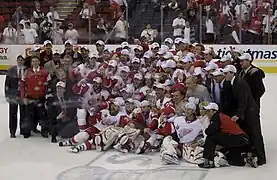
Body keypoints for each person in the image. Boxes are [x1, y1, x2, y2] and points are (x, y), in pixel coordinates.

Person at [222, 65, 266, 166]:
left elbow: (243, 101)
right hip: (246, 112)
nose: (225, 75)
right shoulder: (233, 82)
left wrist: (237, 115)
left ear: (232, 73)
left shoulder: (240, 83)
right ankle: (252, 154)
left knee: (255, 134)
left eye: (226, 73)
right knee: (249, 133)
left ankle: (261, 158)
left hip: (250, 112)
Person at [198, 103, 252, 168]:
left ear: (214, 111)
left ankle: (210, 161)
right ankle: (246, 157)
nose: (207, 113)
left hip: (239, 138)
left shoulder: (217, 117)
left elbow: (210, 131)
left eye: (209, 111)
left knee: (211, 138)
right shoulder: (221, 116)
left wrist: (207, 130)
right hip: (241, 139)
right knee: (236, 160)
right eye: (206, 111)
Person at [20, 56, 50, 138]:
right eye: (33, 61)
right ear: (31, 63)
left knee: (42, 115)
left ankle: (44, 131)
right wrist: (23, 97)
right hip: (30, 97)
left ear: (39, 62)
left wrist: (47, 95)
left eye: (36, 61)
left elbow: (48, 84)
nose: (35, 63)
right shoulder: (27, 72)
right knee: (28, 115)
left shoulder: (44, 72)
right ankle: (27, 132)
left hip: (41, 97)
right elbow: (22, 85)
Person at [5, 55, 26, 138]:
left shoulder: (26, 70)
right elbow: (7, 83)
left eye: (22, 60)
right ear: (17, 61)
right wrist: (7, 95)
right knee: (13, 113)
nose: (20, 61)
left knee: (23, 113)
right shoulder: (11, 70)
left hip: (22, 95)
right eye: (19, 60)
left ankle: (23, 130)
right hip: (13, 95)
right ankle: (12, 131)